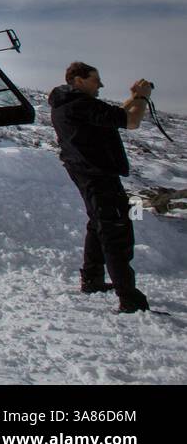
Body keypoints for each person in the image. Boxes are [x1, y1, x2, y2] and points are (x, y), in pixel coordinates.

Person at [48, 62, 153, 313]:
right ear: (78, 80)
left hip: (86, 173)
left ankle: (92, 279)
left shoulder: (67, 104)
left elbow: (113, 116)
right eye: (96, 80)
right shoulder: (81, 105)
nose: (101, 85)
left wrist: (131, 98)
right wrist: (141, 97)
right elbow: (131, 121)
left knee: (98, 224)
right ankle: (129, 299)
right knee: (115, 230)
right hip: (99, 175)